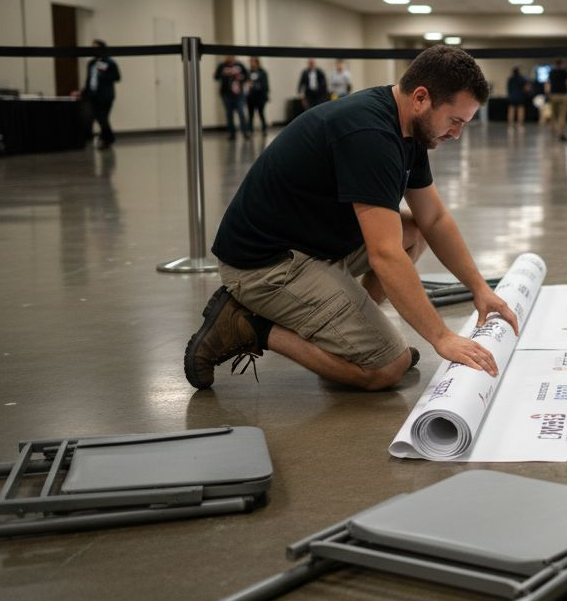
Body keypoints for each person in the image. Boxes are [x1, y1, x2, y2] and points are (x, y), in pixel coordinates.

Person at [184, 45, 517, 391]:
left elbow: (434, 219)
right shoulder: (370, 135)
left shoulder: (409, 127)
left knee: (413, 231)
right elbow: (385, 255)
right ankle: (249, 326)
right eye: (454, 121)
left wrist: (479, 288)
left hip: (311, 242)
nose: (456, 134)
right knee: (388, 368)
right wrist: (442, 337)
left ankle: (351, 338)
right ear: (421, 98)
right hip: (266, 266)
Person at [78, 40, 120, 149]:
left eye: (96, 48)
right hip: (92, 94)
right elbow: (89, 79)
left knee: (102, 117)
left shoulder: (110, 62)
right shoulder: (91, 63)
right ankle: (99, 138)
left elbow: (117, 77)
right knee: (91, 117)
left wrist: (103, 75)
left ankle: (108, 139)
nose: (94, 50)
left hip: (105, 95)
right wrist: (83, 91)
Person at [214, 54, 250, 141]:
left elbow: (247, 76)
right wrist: (224, 74)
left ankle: (245, 132)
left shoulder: (240, 65)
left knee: (241, 112)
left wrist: (241, 77)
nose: (229, 57)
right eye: (228, 56)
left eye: (231, 56)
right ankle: (232, 134)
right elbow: (216, 77)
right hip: (226, 94)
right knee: (229, 114)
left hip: (239, 94)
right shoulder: (222, 66)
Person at [546, 58, 567, 142]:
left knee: (554, 115)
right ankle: (561, 133)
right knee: (562, 115)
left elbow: (547, 84)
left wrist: (548, 94)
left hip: (553, 95)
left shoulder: (551, 72)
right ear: (562, 63)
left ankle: (553, 132)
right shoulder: (565, 72)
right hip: (563, 95)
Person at [245, 57, 270, 136]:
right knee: (250, 115)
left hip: (260, 97)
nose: (252, 64)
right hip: (251, 97)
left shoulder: (263, 72)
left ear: (257, 63)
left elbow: (265, 86)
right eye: (251, 62)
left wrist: (255, 85)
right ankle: (250, 130)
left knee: (261, 113)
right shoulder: (248, 72)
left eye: (253, 62)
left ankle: (264, 129)